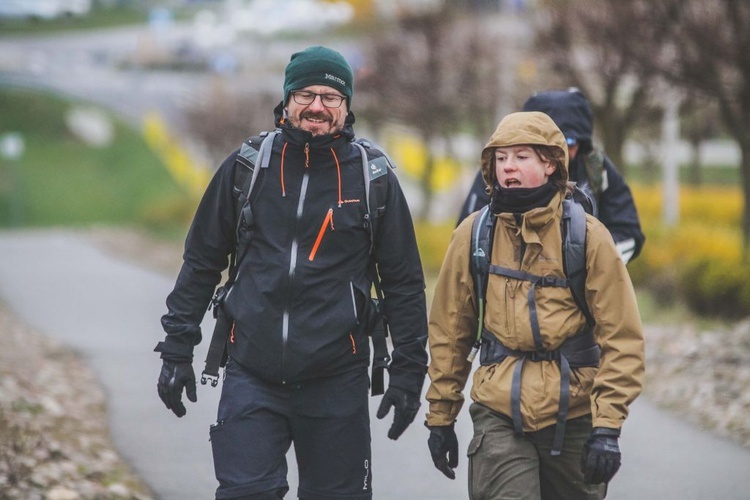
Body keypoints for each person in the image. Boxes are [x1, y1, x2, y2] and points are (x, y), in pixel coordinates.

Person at [154, 46, 428, 500]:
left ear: (346, 106)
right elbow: (202, 261)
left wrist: (408, 372)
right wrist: (176, 348)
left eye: (330, 96)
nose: (317, 106)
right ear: (286, 101)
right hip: (251, 373)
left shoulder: (372, 178)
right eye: (304, 94)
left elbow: (403, 283)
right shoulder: (247, 167)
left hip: (337, 380)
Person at [425, 111, 645, 499]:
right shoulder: (473, 234)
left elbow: (623, 338)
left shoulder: (588, 236)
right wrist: (441, 417)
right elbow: (449, 332)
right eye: (501, 158)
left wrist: (608, 428)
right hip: (499, 414)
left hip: (575, 414)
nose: (508, 167)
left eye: (521, 157)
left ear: (550, 164)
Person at [456, 88, 645, 264]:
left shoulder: (596, 169)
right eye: (554, 143)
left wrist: (590, 262)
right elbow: (469, 240)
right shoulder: (500, 171)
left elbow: (628, 233)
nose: (561, 150)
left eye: (568, 142)